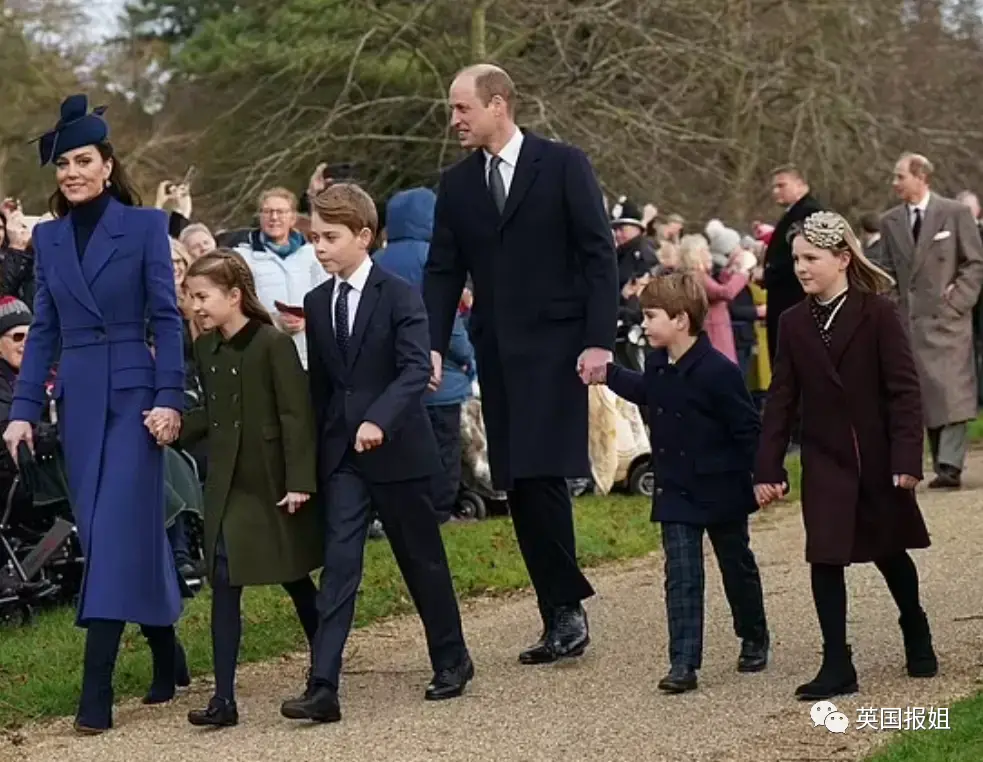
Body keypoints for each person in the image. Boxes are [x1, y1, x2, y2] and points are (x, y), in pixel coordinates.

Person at [2, 94, 187, 733]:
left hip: (136, 401)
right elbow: (44, 330)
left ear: (108, 165)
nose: (72, 172)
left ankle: (96, 689)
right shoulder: (49, 240)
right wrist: (23, 410)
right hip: (78, 402)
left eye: (85, 160)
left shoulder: (143, 228)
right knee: (122, 531)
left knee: (111, 535)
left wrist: (170, 398)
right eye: (63, 164)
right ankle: (168, 651)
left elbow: (166, 317)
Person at [423, 64, 618, 663]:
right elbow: (442, 271)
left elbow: (597, 255)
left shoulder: (563, 165)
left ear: (498, 105)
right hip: (499, 353)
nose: (453, 120)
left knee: (541, 471)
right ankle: (560, 608)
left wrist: (598, 340)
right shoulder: (456, 186)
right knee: (519, 479)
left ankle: (565, 610)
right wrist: (431, 344)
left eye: (462, 109)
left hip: (560, 350)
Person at [280, 183, 472, 723]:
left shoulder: (400, 293)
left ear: (364, 236)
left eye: (330, 237)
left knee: (421, 560)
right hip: (343, 457)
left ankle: (452, 659)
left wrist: (378, 419)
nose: (318, 247)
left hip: (399, 452)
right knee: (340, 566)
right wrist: (312, 458)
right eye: (313, 237)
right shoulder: (318, 303)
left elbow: (416, 369)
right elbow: (323, 386)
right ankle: (323, 684)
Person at [754, 210, 937, 701]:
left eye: (811, 258)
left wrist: (906, 458)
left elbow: (904, 391)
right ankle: (837, 660)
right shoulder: (792, 323)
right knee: (825, 556)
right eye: (795, 259)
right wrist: (767, 466)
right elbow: (782, 398)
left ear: (841, 258)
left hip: (876, 459)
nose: (801, 268)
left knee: (888, 551)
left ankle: (914, 625)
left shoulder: (877, 312)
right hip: (825, 458)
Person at [592, 271, 769, 693]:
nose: (645, 324)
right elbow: (651, 392)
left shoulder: (719, 372)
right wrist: (608, 374)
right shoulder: (657, 362)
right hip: (675, 487)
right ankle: (683, 662)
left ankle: (754, 635)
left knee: (736, 565)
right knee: (682, 575)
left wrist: (764, 475)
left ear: (681, 320)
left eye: (651, 316)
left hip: (721, 485)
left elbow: (747, 429)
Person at [179, 250, 322, 727]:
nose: (195, 306)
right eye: (190, 297)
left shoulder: (272, 344)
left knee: (295, 576)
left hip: (273, 482)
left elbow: (296, 415)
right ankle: (224, 698)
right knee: (224, 580)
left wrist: (300, 480)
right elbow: (216, 416)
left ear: (234, 295)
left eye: (203, 296)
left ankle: (325, 671)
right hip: (228, 484)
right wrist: (174, 424)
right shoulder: (205, 349)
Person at [879, 153, 983, 489]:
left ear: (921, 176)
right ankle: (942, 462)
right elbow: (886, 272)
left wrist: (957, 303)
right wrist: (894, 307)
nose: (895, 183)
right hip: (911, 322)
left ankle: (950, 465)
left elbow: (974, 263)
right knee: (926, 393)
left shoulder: (954, 213)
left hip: (948, 320)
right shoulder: (891, 221)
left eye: (900, 176)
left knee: (951, 389)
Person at [373, 188, 477, 524]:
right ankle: (440, 510)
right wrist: (468, 359)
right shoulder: (434, 258)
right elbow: (448, 319)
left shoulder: (377, 262)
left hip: (393, 378)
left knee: (403, 450)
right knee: (444, 448)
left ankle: (404, 510)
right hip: (440, 376)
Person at [234, 187, 328, 369]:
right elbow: (237, 305)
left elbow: (327, 298)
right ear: (259, 216)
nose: (274, 217)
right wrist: (273, 321)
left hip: (309, 355)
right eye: (268, 211)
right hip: (264, 354)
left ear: (293, 218)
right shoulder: (243, 257)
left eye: (281, 212)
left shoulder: (313, 255)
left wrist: (308, 320)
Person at [762, 165, 824, 364]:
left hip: (796, 299)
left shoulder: (809, 214)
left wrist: (769, 272)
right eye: (774, 187)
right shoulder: (793, 214)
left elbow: (805, 257)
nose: (775, 191)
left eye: (781, 185)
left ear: (800, 185)